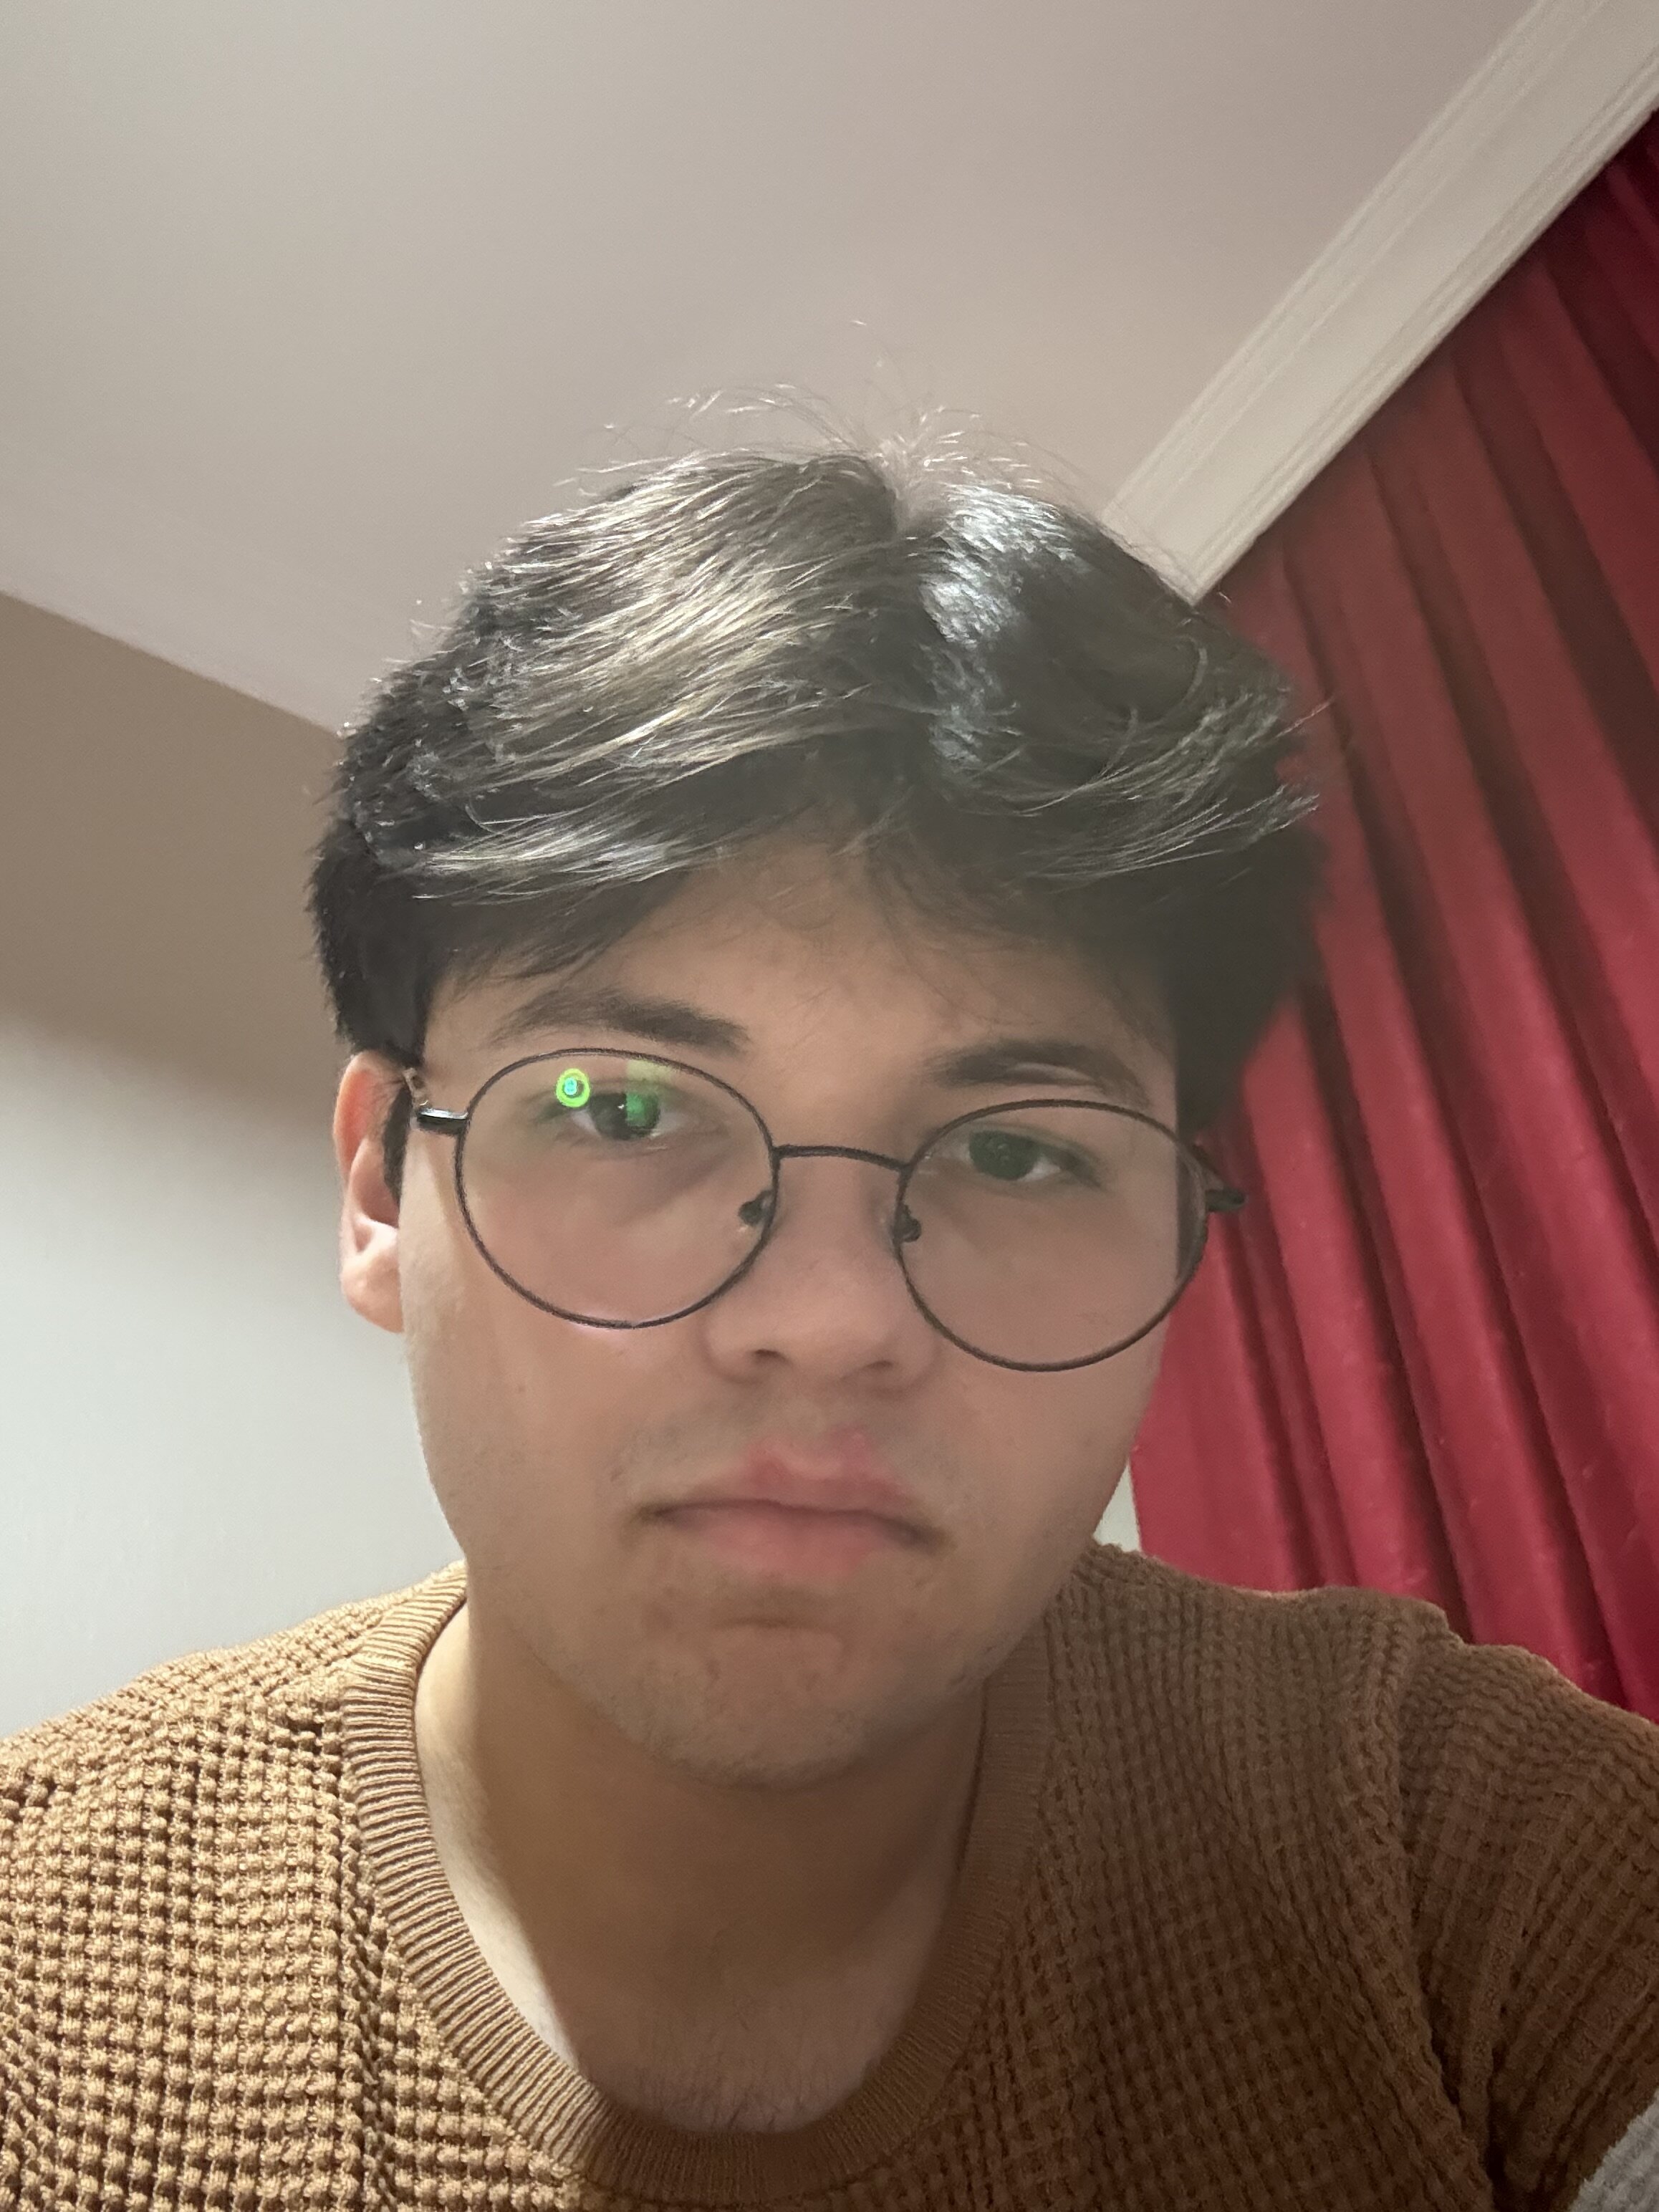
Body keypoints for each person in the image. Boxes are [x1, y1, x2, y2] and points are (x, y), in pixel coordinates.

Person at [3, 448, 1656, 2212]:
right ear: (383, 1190)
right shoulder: (41, 1968)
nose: (828, 1319)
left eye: (1018, 1150)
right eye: (627, 1107)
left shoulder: (1442, 1842)